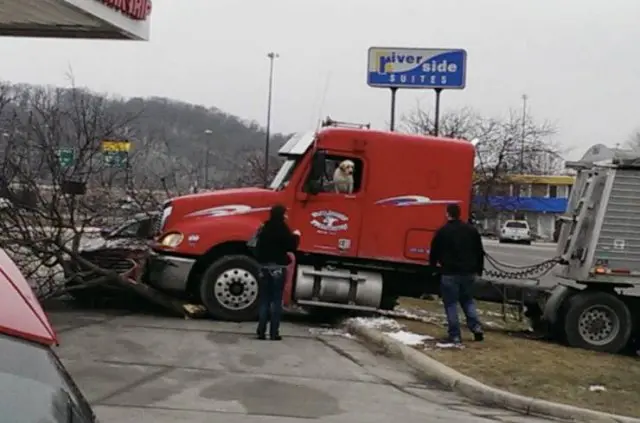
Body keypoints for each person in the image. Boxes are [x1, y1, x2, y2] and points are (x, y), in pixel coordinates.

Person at [429, 203, 485, 345]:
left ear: (448, 214)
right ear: (459, 214)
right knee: (468, 301)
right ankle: (476, 327)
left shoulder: (442, 231)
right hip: (469, 273)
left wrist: (433, 268)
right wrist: (479, 269)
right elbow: (479, 251)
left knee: (451, 304)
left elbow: (434, 252)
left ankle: (455, 335)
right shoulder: (471, 231)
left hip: (449, 273)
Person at [253, 204, 300, 341]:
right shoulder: (283, 229)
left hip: (263, 267)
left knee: (264, 300)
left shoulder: (264, 228)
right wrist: (296, 236)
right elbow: (291, 247)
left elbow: (255, 245)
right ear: (282, 214)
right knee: (276, 301)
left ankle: (261, 331)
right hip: (278, 268)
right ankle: (274, 333)